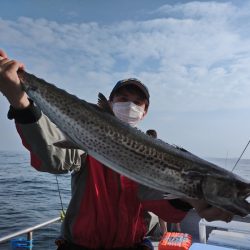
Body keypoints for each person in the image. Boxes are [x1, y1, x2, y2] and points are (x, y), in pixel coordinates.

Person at [0, 49, 234, 250]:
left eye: (137, 102)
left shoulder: (155, 152)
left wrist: (190, 199)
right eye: (123, 97)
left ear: (145, 112)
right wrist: (21, 105)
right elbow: (52, 159)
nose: (130, 105)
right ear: (109, 103)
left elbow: (159, 203)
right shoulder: (87, 138)